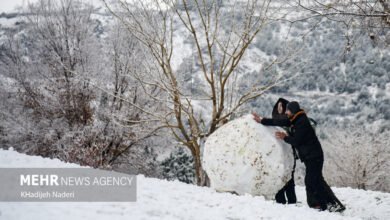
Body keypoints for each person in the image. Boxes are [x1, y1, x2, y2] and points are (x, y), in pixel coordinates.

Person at [253, 101, 345, 212]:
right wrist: (262, 120)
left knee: (313, 181)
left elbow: (296, 141)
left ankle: (331, 205)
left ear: (293, 111)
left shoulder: (302, 122)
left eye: (288, 110)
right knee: (314, 181)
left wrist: (284, 137)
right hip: (310, 157)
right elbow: (279, 121)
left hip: (314, 157)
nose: (286, 112)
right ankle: (326, 205)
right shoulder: (295, 120)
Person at [261, 98, 297, 205]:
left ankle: (286, 202)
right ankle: (288, 201)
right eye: (278, 106)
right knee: (285, 178)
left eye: (282, 107)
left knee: (284, 178)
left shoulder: (284, 122)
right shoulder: (284, 121)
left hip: (283, 155)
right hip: (284, 155)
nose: (280, 109)